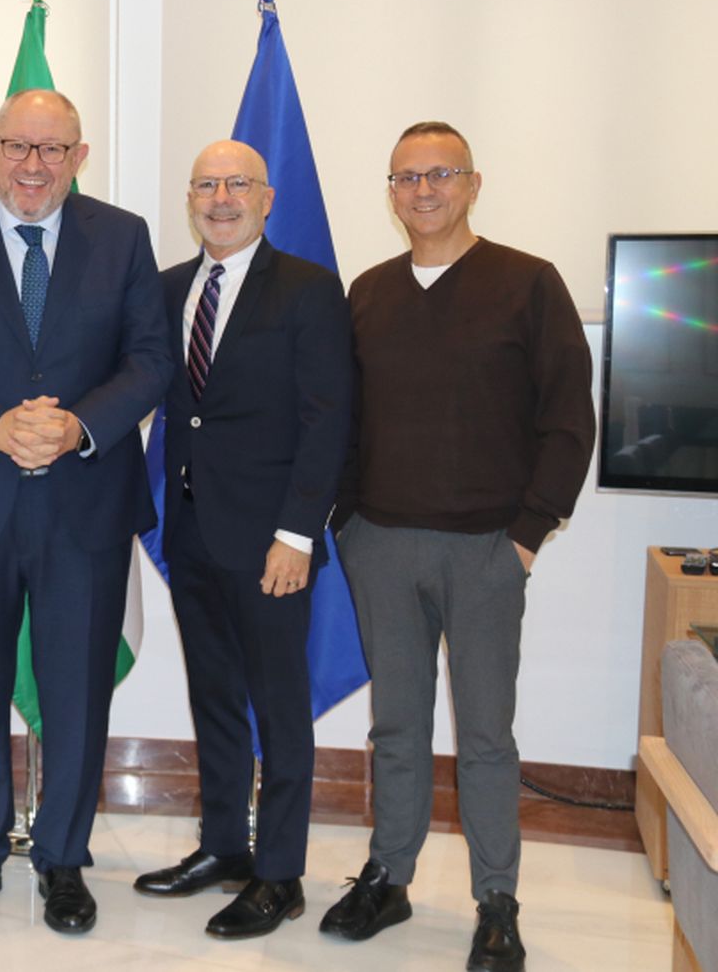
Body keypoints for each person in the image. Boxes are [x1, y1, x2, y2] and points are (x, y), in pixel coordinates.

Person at [0, 89, 171, 935]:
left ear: (80, 157)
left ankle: (63, 859)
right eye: (18, 146)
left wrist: (78, 424)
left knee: (77, 692)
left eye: (53, 150)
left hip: (84, 502)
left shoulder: (122, 238)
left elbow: (151, 359)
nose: (33, 166)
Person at [321, 122, 594, 972]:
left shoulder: (528, 284)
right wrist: (348, 524)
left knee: (485, 735)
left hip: (485, 553)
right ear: (391, 191)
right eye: (406, 177)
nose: (423, 190)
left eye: (440, 174)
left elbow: (568, 418)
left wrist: (526, 534)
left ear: (474, 183)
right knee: (395, 726)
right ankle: (389, 876)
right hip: (382, 547)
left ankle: (497, 901)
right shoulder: (366, 292)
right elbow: (342, 420)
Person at [132, 141, 351, 938]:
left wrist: (297, 533)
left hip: (272, 546)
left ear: (266, 197)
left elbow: (328, 421)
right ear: (190, 198)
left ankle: (281, 873)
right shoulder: (166, 290)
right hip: (190, 536)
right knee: (215, 698)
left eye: (237, 185)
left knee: (280, 708)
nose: (220, 197)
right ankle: (224, 845)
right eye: (206, 185)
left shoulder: (308, 289)